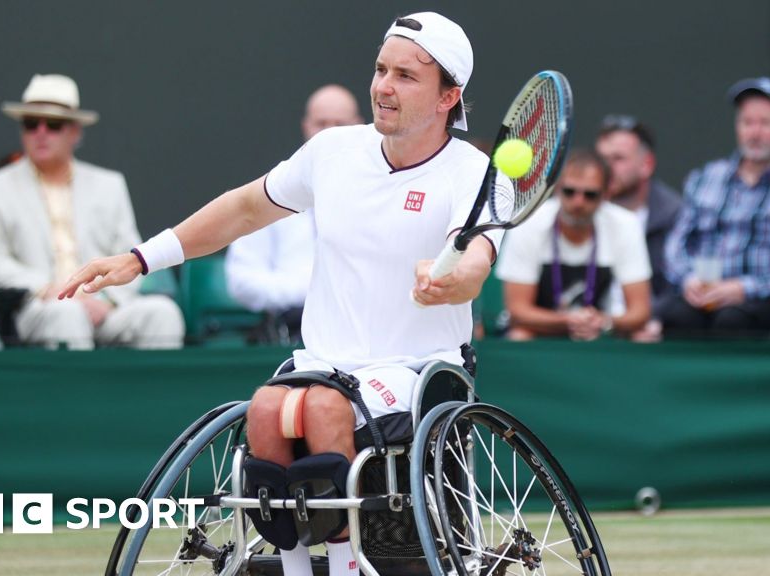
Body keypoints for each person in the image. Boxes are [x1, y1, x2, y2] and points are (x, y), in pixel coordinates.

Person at [59, 13, 506, 576]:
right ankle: (296, 570)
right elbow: (244, 209)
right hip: (324, 360)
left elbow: (475, 264)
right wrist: (139, 258)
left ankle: (344, 567)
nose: (383, 87)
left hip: (417, 370)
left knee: (320, 408)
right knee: (267, 413)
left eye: (405, 76)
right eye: (379, 69)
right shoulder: (332, 151)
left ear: (449, 97)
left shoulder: (476, 174)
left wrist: (448, 283)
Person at [0, 74, 185, 350]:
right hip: (42, 307)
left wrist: (107, 301)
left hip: (106, 307)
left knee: (162, 313)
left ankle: (158, 395)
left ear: (75, 131)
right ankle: (82, 395)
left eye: (54, 125)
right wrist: (50, 290)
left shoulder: (110, 185)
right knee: (67, 314)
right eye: (31, 123)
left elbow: (130, 255)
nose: (41, 133)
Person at [661, 77, 770, 335]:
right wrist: (688, 279)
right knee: (674, 316)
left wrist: (745, 289)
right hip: (704, 293)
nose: (755, 132)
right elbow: (676, 246)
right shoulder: (705, 178)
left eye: (765, 123)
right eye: (747, 122)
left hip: (768, 299)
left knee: (731, 321)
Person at [223, 85, 363, 344]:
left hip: (365, 329)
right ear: (306, 127)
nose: (330, 133)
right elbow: (241, 281)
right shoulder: (273, 190)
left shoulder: (377, 192)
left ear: (359, 126)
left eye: (340, 124)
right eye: (321, 123)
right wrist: (310, 288)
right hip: (288, 333)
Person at [495, 149, 652, 341]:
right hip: (538, 328)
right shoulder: (529, 222)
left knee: (643, 336)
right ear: (557, 188)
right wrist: (569, 320)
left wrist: (604, 322)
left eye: (590, 195)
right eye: (569, 192)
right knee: (519, 335)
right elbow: (518, 310)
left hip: (596, 329)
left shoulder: (625, 224)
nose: (578, 202)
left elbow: (640, 312)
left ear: (606, 194)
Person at [595, 115, 681, 300]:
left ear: (647, 165)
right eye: (602, 158)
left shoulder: (675, 216)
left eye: (618, 159)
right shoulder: (578, 209)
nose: (606, 168)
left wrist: (652, 318)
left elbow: (679, 287)